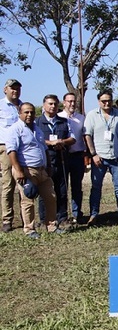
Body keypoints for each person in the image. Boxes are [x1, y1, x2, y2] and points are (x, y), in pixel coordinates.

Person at [6, 103, 66, 238]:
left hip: (42, 170)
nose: (29, 115)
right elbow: (12, 151)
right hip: (26, 170)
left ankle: (51, 226)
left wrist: (49, 166)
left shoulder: (37, 129)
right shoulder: (15, 129)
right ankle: (29, 229)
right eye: (26, 112)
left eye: (32, 112)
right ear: (20, 113)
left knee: (51, 197)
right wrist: (19, 170)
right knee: (28, 199)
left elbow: (44, 149)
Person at [83, 90, 118, 225]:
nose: (107, 103)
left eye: (109, 100)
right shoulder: (92, 115)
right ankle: (94, 215)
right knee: (96, 188)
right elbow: (87, 135)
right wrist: (93, 154)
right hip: (99, 157)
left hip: (116, 157)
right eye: (103, 101)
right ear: (99, 102)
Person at [36, 94, 76, 225]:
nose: (53, 106)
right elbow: (35, 140)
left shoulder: (64, 121)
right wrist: (50, 143)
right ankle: (44, 220)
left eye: (55, 104)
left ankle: (62, 217)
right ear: (44, 105)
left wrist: (62, 141)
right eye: (50, 104)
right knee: (45, 192)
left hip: (61, 160)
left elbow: (73, 138)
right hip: (45, 162)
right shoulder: (37, 122)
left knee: (62, 191)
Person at [58, 93, 86, 224]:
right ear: (64, 103)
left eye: (74, 101)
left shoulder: (81, 118)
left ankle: (77, 213)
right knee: (62, 187)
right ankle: (62, 214)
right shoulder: (59, 117)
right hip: (63, 157)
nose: (72, 104)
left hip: (77, 156)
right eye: (69, 101)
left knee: (77, 187)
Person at [0, 79, 23, 233]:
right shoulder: (1, 106)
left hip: (22, 149)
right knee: (8, 185)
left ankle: (26, 218)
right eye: (12, 88)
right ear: (5, 89)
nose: (15, 91)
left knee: (23, 184)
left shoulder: (23, 106)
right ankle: (7, 219)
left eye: (17, 88)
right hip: (6, 148)